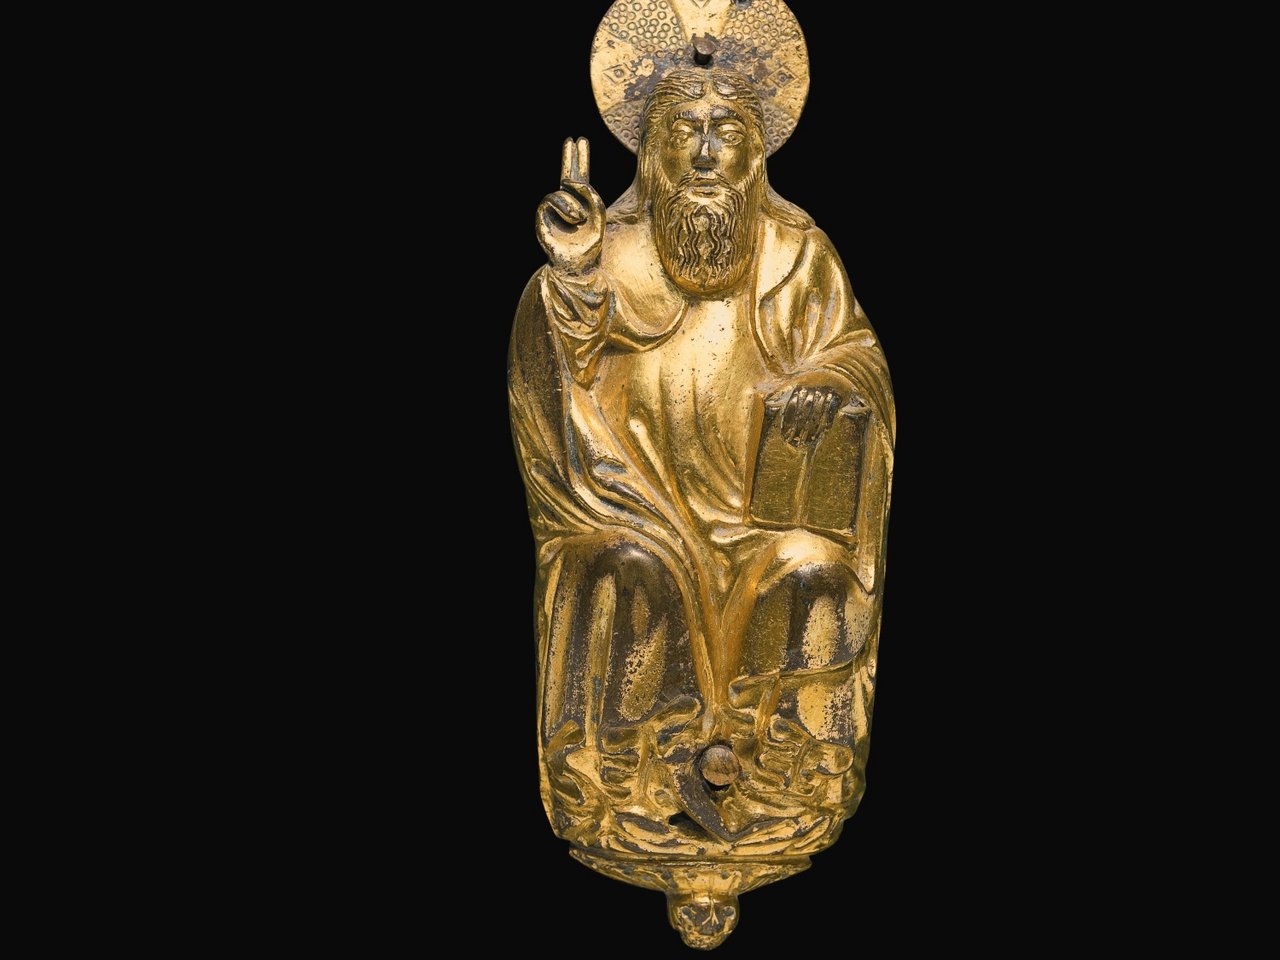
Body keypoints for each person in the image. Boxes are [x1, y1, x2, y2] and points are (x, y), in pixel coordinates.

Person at [509, 67, 895, 855]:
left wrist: (828, 382)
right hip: (637, 507)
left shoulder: (796, 254)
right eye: (687, 132)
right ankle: (623, 781)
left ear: (757, 153)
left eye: (729, 133)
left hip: (757, 522)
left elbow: (856, 358)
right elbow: (555, 368)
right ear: (653, 151)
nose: (708, 153)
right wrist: (572, 273)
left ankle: (790, 774)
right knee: (622, 566)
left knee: (816, 570)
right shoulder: (610, 251)